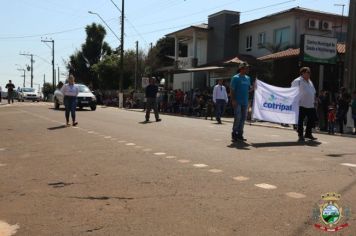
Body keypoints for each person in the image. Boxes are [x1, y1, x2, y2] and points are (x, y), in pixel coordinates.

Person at [291, 67, 317, 141]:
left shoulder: (310, 81)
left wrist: (315, 99)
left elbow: (313, 92)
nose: (309, 74)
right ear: (303, 73)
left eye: (309, 72)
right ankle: (300, 135)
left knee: (312, 119)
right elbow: (292, 91)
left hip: (310, 105)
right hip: (301, 104)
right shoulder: (297, 81)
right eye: (308, 72)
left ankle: (308, 134)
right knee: (300, 121)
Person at [230, 62, 251, 141]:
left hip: (245, 102)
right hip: (237, 101)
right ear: (242, 69)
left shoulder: (248, 78)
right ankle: (234, 134)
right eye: (246, 68)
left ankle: (240, 134)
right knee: (238, 118)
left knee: (243, 118)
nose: (248, 69)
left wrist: (254, 87)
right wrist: (233, 100)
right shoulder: (235, 78)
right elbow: (232, 90)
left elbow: (248, 90)